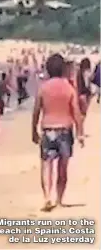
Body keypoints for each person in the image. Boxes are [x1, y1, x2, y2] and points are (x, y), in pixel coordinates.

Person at [32, 53, 84, 212]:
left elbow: (36, 111)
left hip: (48, 129)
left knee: (46, 165)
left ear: (47, 69)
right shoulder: (68, 87)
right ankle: (59, 199)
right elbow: (76, 112)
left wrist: (33, 130)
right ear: (62, 68)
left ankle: (47, 197)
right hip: (65, 130)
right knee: (63, 167)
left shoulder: (43, 87)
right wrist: (80, 132)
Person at [76, 58, 92, 123]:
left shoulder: (79, 72)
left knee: (80, 113)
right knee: (83, 114)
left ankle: (80, 129)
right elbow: (86, 84)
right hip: (85, 94)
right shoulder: (86, 72)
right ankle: (81, 129)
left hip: (79, 93)